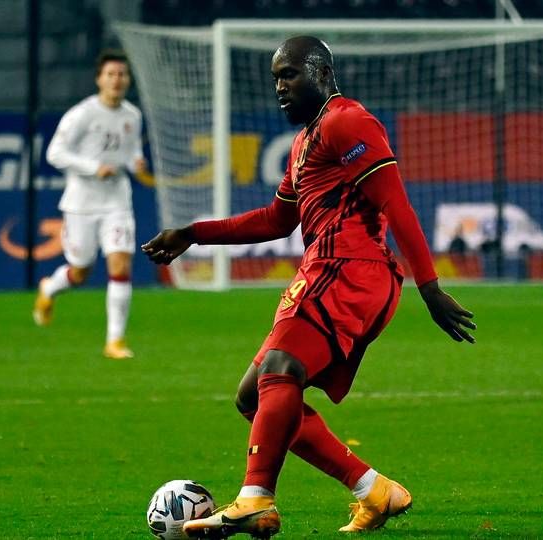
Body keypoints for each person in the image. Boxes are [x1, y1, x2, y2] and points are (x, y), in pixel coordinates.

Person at [142, 36, 476, 538]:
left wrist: (430, 287)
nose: (279, 86)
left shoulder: (348, 121)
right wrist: (194, 234)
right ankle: (373, 489)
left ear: (320, 73)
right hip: (324, 269)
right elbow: (277, 219)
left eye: (289, 74)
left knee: (281, 368)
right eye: (275, 77)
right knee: (253, 397)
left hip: (351, 267)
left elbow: (396, 204)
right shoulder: (305, 142)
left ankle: (255, 498)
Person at [34, 50, 146, 360]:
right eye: (110, 74)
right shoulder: (81, 114)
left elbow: (132, 148)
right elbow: (55, 153)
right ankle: (49, 289)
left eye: (122, 74)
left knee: (121, 265)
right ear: (99, 79)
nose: (117, 80)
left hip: (117, 203)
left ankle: (115, 341)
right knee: (81, 270)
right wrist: (92, 166)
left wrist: (136, 160)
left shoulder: (132, 115)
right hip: (81, 203)